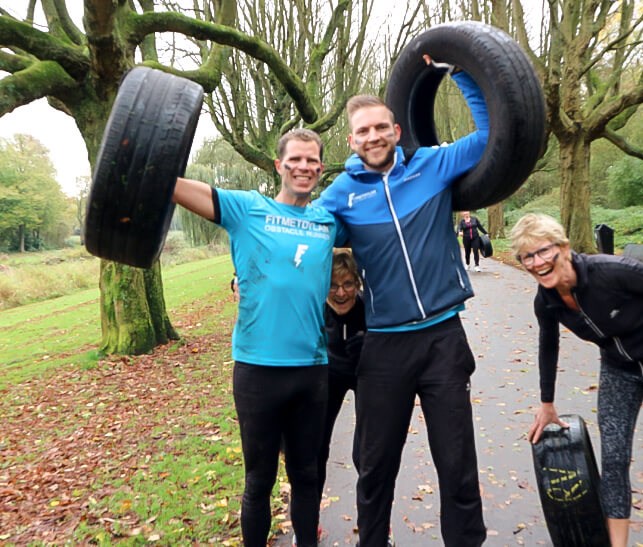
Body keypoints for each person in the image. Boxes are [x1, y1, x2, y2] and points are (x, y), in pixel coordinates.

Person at [313, 56, 489, 547]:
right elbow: (300, 242)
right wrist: (250, 274)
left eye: (379, 127)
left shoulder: (433, 164)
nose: (372, 136)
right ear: (351, 140)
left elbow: (494, 134)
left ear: (395, 129)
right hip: (384, 345)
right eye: (362, 131)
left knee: (457, 464)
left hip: (442, 338)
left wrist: (464, 73)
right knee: (374, 467)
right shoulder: (341, 195)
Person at [173, 128, 338, 547]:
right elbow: (171, 185)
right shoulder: (247, 208)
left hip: (312, 371)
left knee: (307, 476)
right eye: (295, 160)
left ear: (321, 168)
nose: (304, 167)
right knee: (258, 480)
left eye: (312, 161)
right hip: (258, 372)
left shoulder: (328, 220)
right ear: (279, 165)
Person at [510, 213, 643, 547]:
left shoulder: (612, 271)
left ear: (564, 247)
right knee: (613, 461)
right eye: (527, 256)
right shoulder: (546, 301)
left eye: (543, 251)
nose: (537, 263)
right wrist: (546, 403)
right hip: (620, 368)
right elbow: (548, 344)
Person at [317, 248, 366, 501]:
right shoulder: (315, 309)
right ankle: (307, 525)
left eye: (348, 284)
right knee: (314, 451)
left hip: (364, 373)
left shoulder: (371, 308)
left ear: (357, 284)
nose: (340, 292)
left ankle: (376, 528)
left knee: (366, 454)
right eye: (333, 285)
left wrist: (370, 344)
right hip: (330, 373)